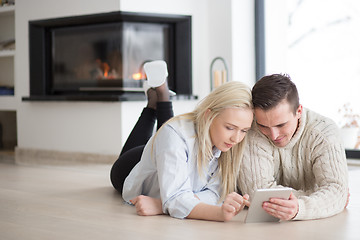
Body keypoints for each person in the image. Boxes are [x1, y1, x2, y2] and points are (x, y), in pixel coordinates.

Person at [110, 60, 253, 222]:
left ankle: (154, 101)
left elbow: (214, 194)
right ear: (208, 115)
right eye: (229, 128)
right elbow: (175, 197)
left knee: (168, 134)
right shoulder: (174, 134)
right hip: (130, 166)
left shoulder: (228, 144)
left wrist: (160, 205)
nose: (236, 138)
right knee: (169, 132)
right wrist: (217, 214)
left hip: (170, 152)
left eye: (244, 131)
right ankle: (159, 100)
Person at [238, 73, 349, 221]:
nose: (273, 135)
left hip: (315, 226)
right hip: (263, 225)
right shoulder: (252, 129)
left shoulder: (324, 132)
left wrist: (299, 208)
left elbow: (337, 191)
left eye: (281, 125)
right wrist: (320, 196)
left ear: (299, 111)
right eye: (263, 126)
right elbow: (257, 194)